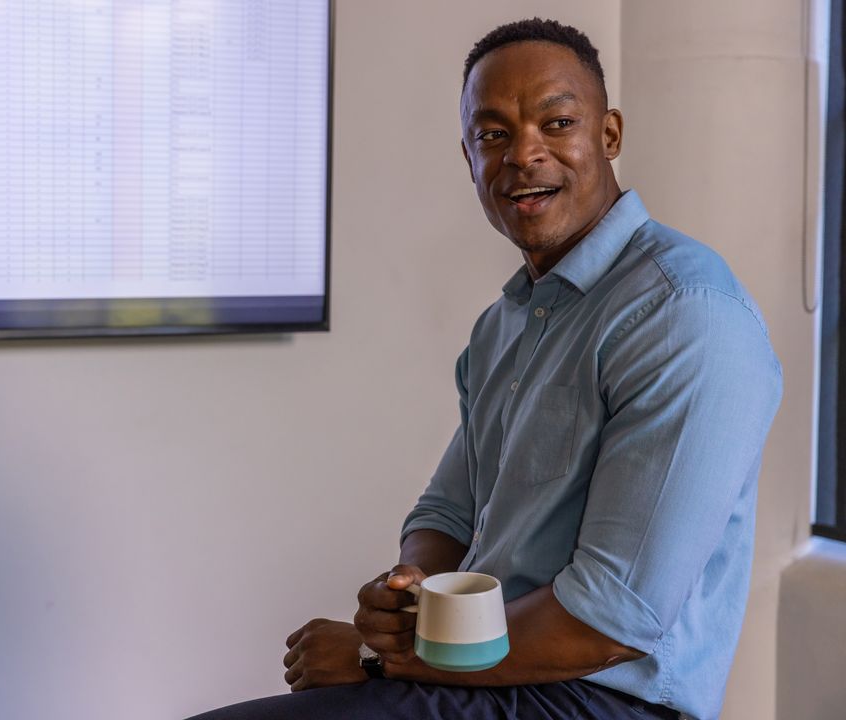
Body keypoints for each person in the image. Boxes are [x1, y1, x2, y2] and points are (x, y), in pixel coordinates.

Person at [187, 17, 781, 720]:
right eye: (492, 135)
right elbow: (447, 513)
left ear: (610, 134)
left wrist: (380, 656)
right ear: (468, 156)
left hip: (599, 702)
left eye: (556, 123)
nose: (523, 154)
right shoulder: (507, 324)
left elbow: (610, 621)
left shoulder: (687, 313)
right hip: (483, 676)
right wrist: (410, 588)